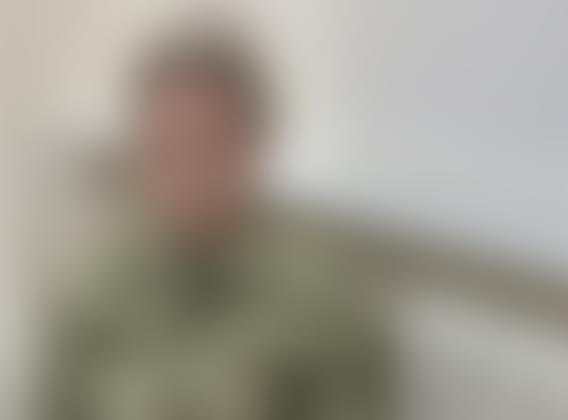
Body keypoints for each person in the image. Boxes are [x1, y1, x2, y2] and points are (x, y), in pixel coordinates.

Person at [39, 29, 397, 420]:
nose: (191, 175)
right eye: (169, 148)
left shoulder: (324, 291)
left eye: (210, 146)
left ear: (253, 145)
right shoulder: (92, 284)